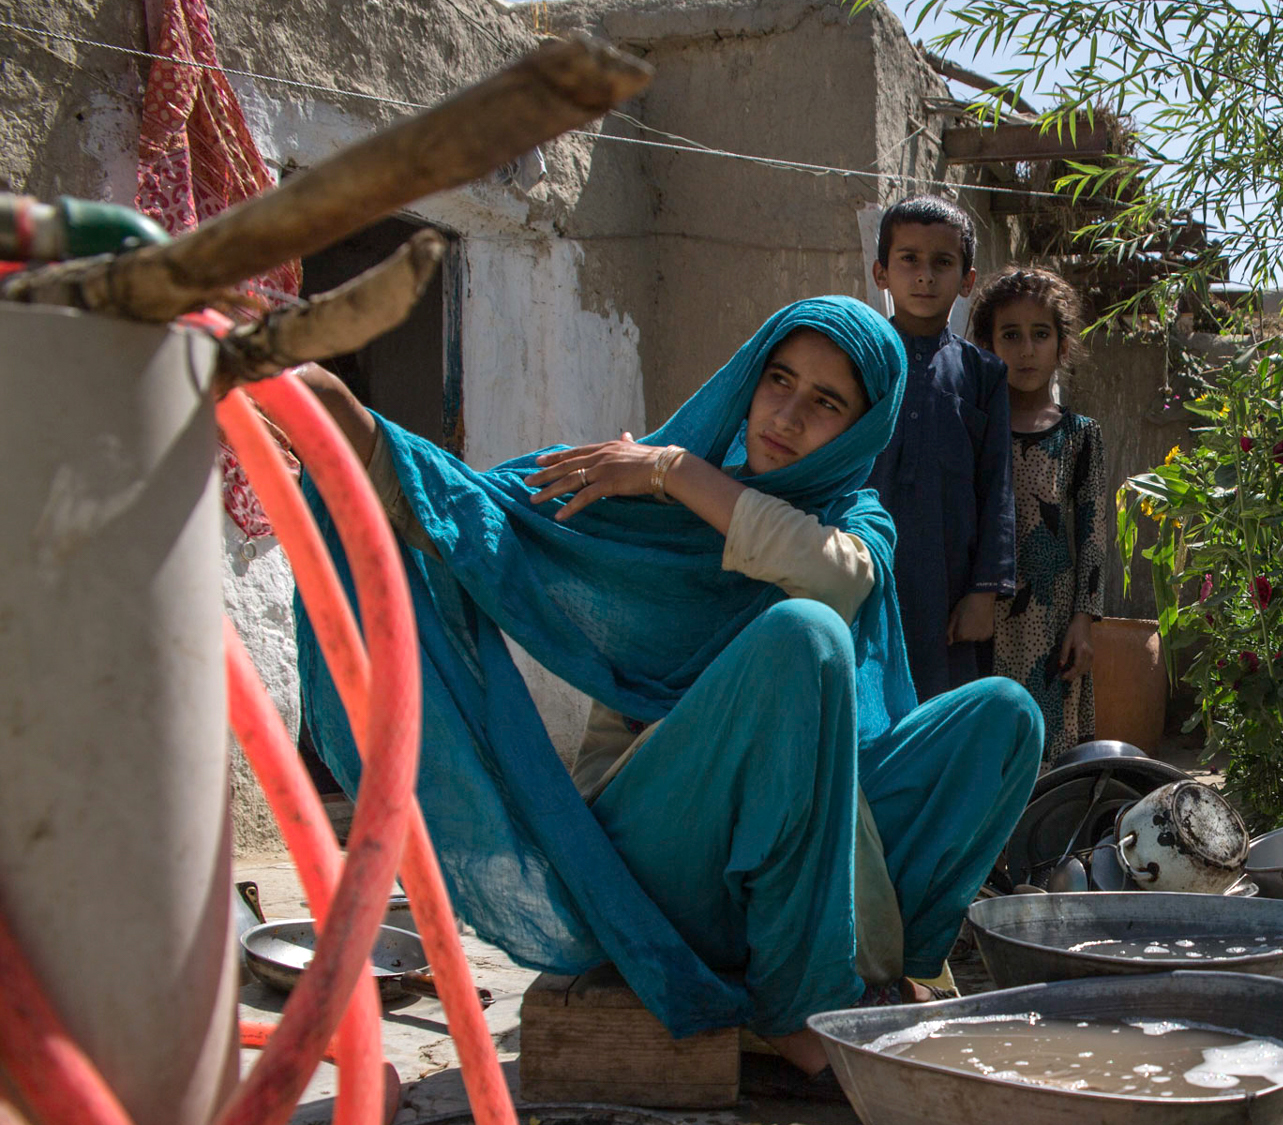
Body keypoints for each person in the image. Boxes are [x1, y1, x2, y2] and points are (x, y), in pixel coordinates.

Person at [291, 296, 1043, 1078]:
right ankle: (800, 1012)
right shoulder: (642, 502)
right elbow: (479, 516)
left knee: (1005, 715)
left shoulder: (850, 517)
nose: (786, 415)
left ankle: (895, 968)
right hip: (656, 844)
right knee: (802, 638)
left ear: (861, 427)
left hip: (814, 836)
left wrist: (675, 468)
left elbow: (832, 577)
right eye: (777, 381)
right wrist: (354, 430)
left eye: (826, 403)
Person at [868, 194, 1016, 700]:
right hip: (864, 560)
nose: (925, 276)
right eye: (909, 259)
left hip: (948, 577)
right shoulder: (856, 359)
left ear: (967, 280)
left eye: (942, 262)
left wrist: (984, 591)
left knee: (942, 702)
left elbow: (997, 485)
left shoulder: (984, 375)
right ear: (881, 273)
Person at [970, 268, 1109, 765]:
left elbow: (1092, 533)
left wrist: (1083, 622)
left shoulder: (1079, 435)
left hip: (1053, 622)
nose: (1026, 350)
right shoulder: (974, 426)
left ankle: (1047, 842)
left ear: (1062, 347)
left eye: (1040, 335)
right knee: (985, 743)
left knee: (1050, 747)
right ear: (988, 344)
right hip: (982, 615)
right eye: (1011, 335)